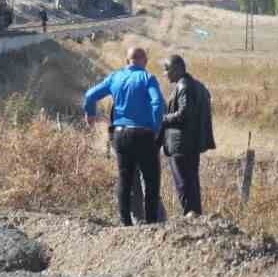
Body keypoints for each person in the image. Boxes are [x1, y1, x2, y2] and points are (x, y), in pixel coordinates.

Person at [84, 47, 167, 225]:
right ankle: (152, 222)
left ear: (127, 60)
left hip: (120, 135)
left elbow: (90, 95)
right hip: (144, 134)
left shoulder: (115, 77)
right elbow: (158, 103)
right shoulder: (148, 78)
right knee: (151, 179)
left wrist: (90, 114)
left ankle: (125, 221)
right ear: (145, 60)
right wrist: (156, 128)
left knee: (125, 178)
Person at [160, 54, 215, 217]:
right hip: (191, 144)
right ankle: (194, 215)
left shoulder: (184, 86)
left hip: (181, 145)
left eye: (167, 70)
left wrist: (162, 119)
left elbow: (184, 114)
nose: (165, 74)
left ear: (177, 69)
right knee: (191, 182)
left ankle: (190, 215)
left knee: (183, 184)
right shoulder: (197, 85)